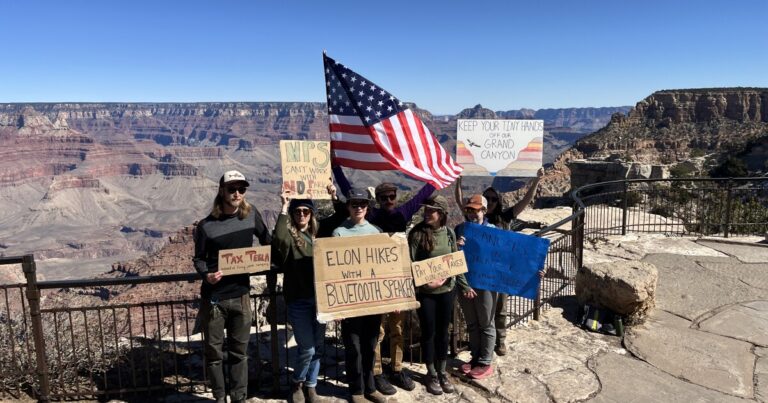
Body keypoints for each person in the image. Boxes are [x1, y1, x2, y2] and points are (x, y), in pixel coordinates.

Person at [333, 166, 431, 393]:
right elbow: (349, 191)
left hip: (394, 279)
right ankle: (375, 373)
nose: (389, 200)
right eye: (384, 197)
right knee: (378, 332)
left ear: (396, 198)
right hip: (372, 284)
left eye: (392, 196)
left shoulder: (403, 213)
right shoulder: (372, 216)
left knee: (397, 328)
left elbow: (422, 196)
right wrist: (335, 165)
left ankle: (397, 369)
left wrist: (439, 176)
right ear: (376, 200)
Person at [193, 170, 272, 403]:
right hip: (214, 298)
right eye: (232, 189)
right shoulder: (206, 226)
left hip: (241, 296)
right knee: (214, 353)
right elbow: (198, 258)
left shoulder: (251, 215)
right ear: (222, 191)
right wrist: (206, 275)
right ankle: (219, 397)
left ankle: (239, 398)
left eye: (241, 189)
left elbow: (267, 241)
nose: (237, 193)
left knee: (240, 353)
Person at [455, 167, 544, 356]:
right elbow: (460, 202)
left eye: (495, 199)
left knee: (501, 307)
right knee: (483, 311)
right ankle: (483, 345)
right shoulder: (474, 219)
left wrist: (536, 181)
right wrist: (458, 181)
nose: (492, 201)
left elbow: (525, 201)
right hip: (479, 271)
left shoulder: (504, 218)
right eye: (489, 198)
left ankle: (500, 341)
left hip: (499, 270)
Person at [272, 184, 345, 403]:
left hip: (321, 299)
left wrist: (334, 195)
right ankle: (297, 383)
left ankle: (311, 388)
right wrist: (284, 207)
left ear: (311, 213)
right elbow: (279, 239)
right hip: (298, 300)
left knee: (319, 347)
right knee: (307, 347)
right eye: (298, 211)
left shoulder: (318, 233)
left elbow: (340, 216)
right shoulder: (290, 238)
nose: (302, 214)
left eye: (306, 211)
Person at [408, 195, 475, 396]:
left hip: (447, 291)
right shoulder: (417, 234)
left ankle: (442, 370)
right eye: (426, 210)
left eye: (432, 210)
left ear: (441, 214)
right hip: (426, 293)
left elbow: (455, 262)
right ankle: (431, 372)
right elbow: (409, 263)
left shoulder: (448, 234)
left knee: (444, 332)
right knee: (429, 332)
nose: (427, 213)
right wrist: (423, 282)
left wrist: (464, 285)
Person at [332, 188, 386, 403]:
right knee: (353, 347)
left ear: (368, 207)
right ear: (348, 207)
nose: (359, 208)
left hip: (372, 301)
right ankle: (356, 390)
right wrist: (335, 305)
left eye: (362, 204)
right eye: (354, 204)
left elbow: (384, 268)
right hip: (349, 301)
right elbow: (333, 271)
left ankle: (370, 388)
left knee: (370, 346)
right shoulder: (339, 233)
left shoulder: (376, 232)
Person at [454, 194, 497, 380]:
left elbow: (507, 258)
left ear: (484, 211)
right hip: (465, 283)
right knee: (471, 323)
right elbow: (451, 256)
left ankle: (485, 361)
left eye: (476, 210)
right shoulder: (459, 229)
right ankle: (475, 357)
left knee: (486, 323)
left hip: (486, 284)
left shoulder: (494, 231)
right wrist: (456, 246)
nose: (472, 213)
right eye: (469, 209)